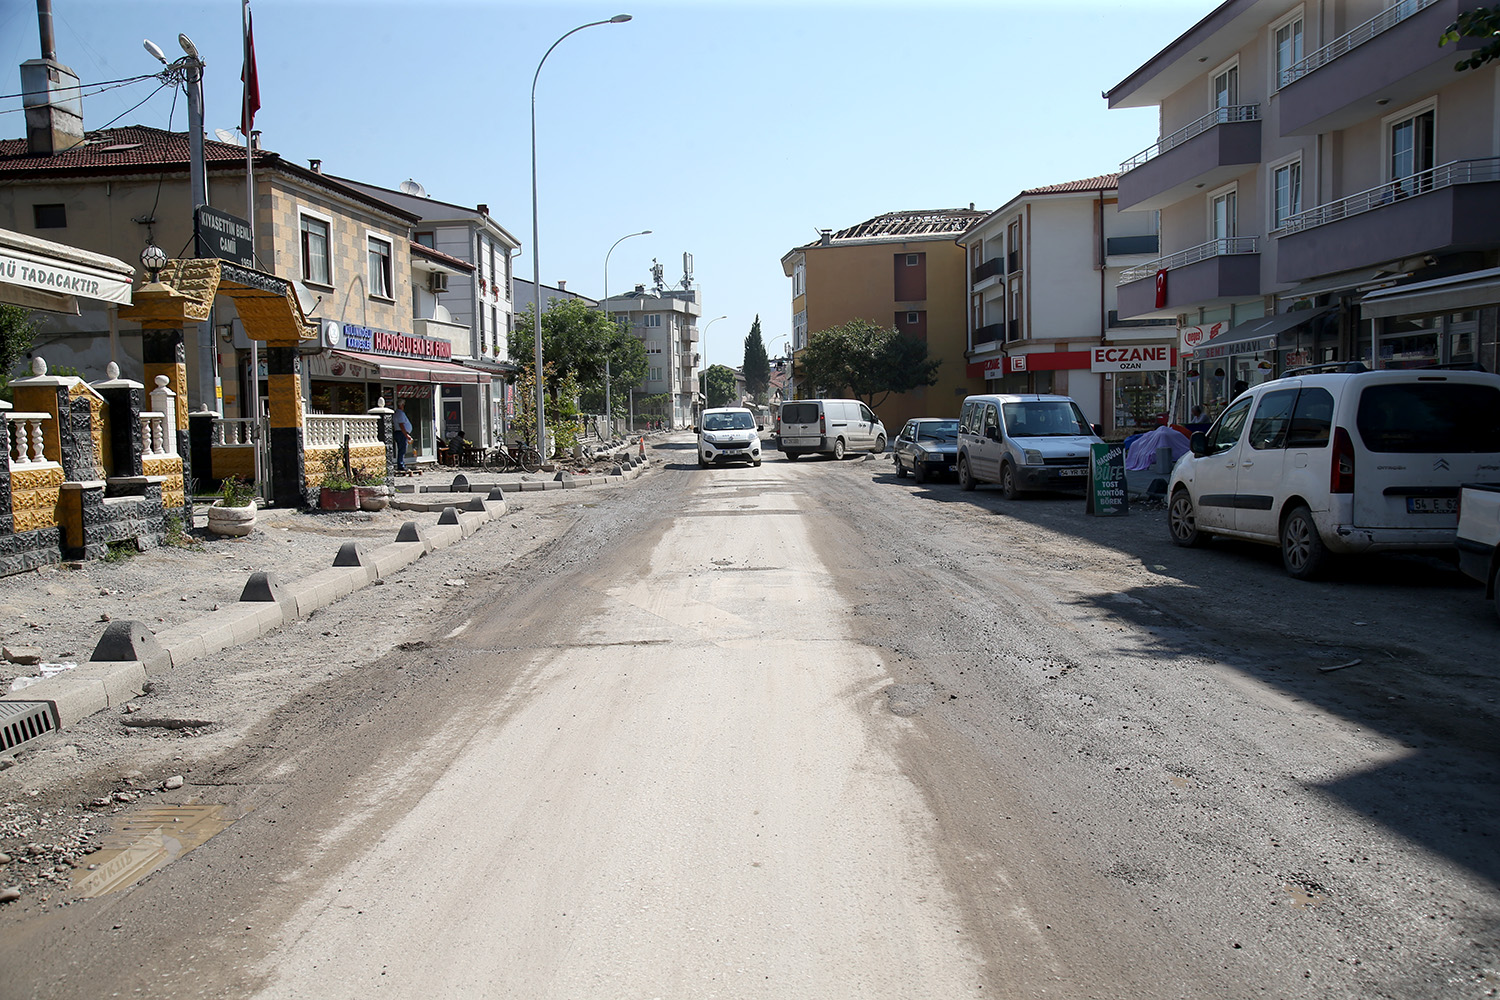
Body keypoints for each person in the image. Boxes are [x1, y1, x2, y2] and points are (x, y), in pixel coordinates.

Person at [393, 400, 412, 472]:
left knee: (401, 449)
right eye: (403, 405)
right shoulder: (400, 413)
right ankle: (401, 465)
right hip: (401, 433)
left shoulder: (397, 413)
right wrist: (406, 434)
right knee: (402, 449)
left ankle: (401, 463)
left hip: (399, 432)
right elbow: (401, 425)